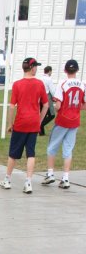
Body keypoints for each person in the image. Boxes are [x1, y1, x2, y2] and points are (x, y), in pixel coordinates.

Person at [0, 58, 47, 194]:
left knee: (13, 153)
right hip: (33, 122)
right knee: (30, 153)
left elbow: (12, 106)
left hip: (21, 122)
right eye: (35, 66)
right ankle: (28, 182)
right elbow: (45, 105)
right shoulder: (39, 84)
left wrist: (10, 124)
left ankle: (8, 179)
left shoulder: (17, 85)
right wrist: (39, 121)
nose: (36, 69)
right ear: (31, 67)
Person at [41, 59, 86, 189]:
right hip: (75, 119)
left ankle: (50, 173)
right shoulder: (82, 84)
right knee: (68, 148)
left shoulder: (63, 83)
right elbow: (84, 105)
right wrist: (75, 107)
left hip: (63, 119)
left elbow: (59, 105)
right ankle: (66, 177)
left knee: (52, 146)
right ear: (77, 70)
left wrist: (56, 107)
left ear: (66, 70)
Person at [39, 65, 56, 136]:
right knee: (52, 115)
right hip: (47, 97)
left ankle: (41, 132)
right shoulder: (49, 79)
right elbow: (52, 90)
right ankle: (40, 125)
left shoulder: (40, 79)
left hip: (39, 98)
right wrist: (55, 97)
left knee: (42, 114)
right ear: (49, 71)